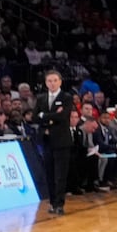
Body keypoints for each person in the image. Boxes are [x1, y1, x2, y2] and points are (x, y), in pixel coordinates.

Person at [32, 68, 74, 215]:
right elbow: (35, 117)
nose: (52, 83)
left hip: (62, 141)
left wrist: (45, 116)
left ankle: (60, 204)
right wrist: (51, 116)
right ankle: (52, 202)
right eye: (49, 81)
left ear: (60, 82)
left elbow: (63, 117)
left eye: (55, 80)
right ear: (45, 83)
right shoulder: (41, 98)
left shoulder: (67, 97)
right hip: (46, 140)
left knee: (60, 175)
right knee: (49, 173)